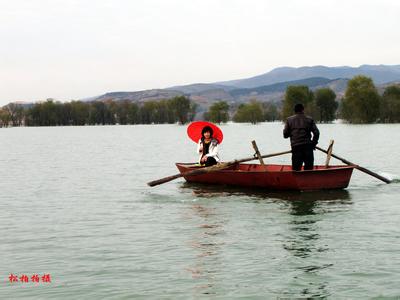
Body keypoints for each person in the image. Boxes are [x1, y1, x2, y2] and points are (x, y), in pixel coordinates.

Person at [283, 103, 319, 171]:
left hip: (296, 148)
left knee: (296, 171)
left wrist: (292, 132)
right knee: (309, 171)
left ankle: (298, 181)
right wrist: (313, 144)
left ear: (294, 111)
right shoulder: (309, 119)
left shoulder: (289, 120)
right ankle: (309, 181)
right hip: (308, 147)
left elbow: (285, 135)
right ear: (303, 110)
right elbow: (316, 133)